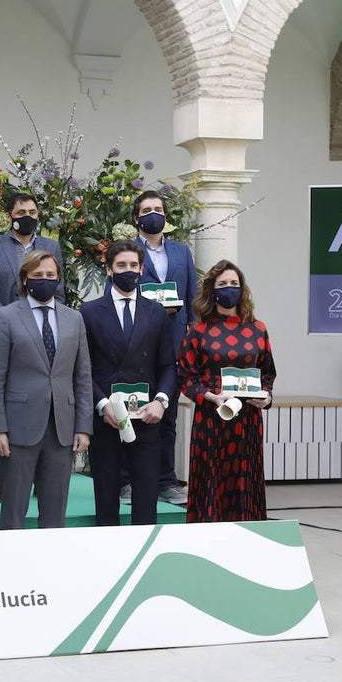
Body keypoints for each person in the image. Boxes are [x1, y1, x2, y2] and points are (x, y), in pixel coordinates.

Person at [0, 250, 92, 529]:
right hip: (19, 429)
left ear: (58, 279)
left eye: (50, 275)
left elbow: (82, 376)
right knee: (13, 512)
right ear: (24, 279)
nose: (44, 280)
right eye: (37, 275)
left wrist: (83, 426)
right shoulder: (5, 317)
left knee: (55, 513)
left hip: (62, 428)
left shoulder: (74, 319)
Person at [81, 240, 176, 526]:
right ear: (109, 269)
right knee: (106, 497)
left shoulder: (157, 312)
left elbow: (168, 365)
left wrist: (161, 401)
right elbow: (83, 368)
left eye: (133, 265)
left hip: (146, 417)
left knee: (147, 498)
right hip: (107, 420)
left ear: (142, 268)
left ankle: (144, 557)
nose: (128, 271)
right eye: (121, 265)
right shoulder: (89, 312)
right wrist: (101, 404)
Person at [0, 192, 62, 503]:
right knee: (1, 400)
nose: (27, 215)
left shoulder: (51, 246)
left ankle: (42, 476)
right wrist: (11, 322)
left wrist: (48, 325)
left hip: (44, 333)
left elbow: (60, 291)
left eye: (32, 210)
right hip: (3, 332)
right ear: (9, 215)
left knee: (42, 398)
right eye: (20, 210)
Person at [178, 260, 276, 522]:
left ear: (242, 289)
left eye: (234, 283)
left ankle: (248, 540)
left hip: (248, 422)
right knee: (211, 481)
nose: (229, 288)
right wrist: (211, 397)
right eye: (223, 284)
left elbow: (268, 374)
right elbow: (186, 377)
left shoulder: (259, 329)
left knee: (246, 483)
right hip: (211, 419)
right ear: (212, 290)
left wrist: (265, 397)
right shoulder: (198, 332)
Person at [117, 190, 197, 507]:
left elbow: (190, 299)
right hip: (137, 340)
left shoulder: (181, 252)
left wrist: (189, 337)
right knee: (131, 411)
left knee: (167, 416)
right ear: (136, 217)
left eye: (159, 208)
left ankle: (166, 480)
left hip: (173, 342)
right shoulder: (128, 253)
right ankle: (127, 481)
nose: (154, 213)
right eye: (147, 209)